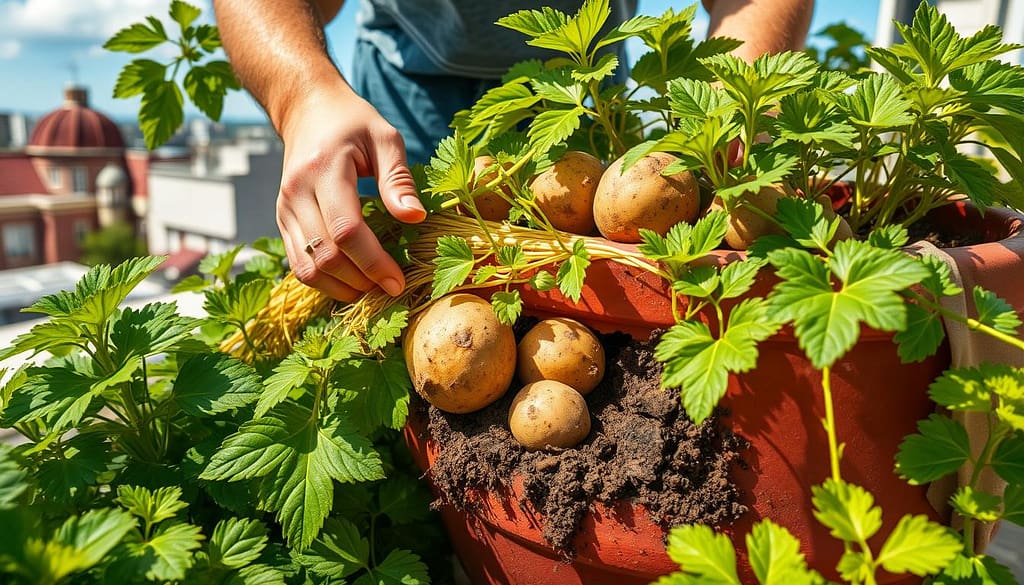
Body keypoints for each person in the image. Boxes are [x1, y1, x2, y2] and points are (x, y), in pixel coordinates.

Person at [212, 0, 814, 301]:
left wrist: (737, 96)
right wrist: (305, 96)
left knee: (613, 283)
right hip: (403, 96)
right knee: (391, 280)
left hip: (584, 90)